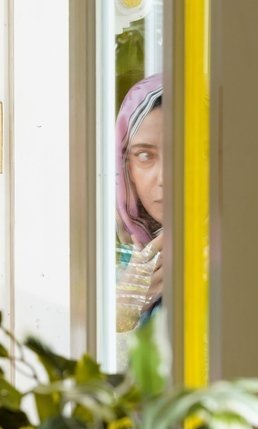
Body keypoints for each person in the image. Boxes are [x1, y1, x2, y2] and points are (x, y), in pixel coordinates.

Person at [115, 73, 164, 334]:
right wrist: (125, 309)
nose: (165, 178)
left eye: (186, 152)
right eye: (145, 156)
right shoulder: (109, 253)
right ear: (127, 169)